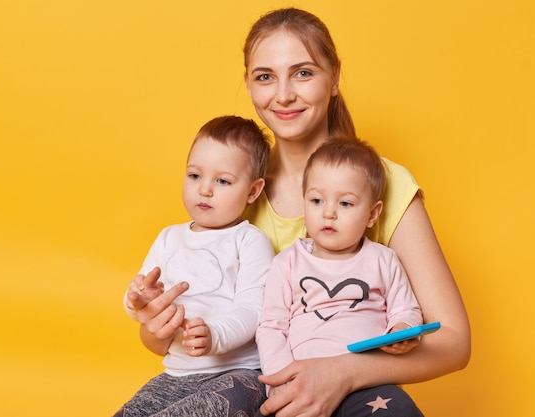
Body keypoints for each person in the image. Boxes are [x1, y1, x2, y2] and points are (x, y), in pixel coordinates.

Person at [125, 7, 471, 417]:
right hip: (248, 391)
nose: (283, 95)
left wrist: (343, 372)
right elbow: (177, 335)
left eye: (303, 73)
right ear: (248, 85)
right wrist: (156, 328)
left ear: (335, 77)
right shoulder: (230, 188)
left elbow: (454, 341)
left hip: (354, 395)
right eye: (265, 76)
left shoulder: (385, 182)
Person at [115, 115, 275, 417]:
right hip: (176, 373)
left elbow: (254, 309)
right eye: (194, 176)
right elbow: (140, 303)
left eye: (223, 181)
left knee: (217, 404)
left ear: (253, 191)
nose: (205, 190)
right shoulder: (168, 237)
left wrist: (215, 335)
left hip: (238, 373)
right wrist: (137, 300)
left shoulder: (250, 241)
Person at [256, 138, 425, 416]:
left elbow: (405, 309)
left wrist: (402, 329)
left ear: (372, 214)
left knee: (401, 410)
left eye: (345, 203)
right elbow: (271, 326)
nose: (329, 212)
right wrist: (282, 380)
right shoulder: (287, 262)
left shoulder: (382, 260)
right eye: (316, 200)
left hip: (369, 384)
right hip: (302, 383)